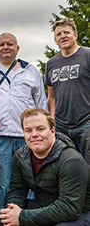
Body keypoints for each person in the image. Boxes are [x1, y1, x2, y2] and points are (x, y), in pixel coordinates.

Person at [0, 32, 48, 213]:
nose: (5, 47)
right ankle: (2, 217)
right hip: (0, 137)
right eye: (1, 44)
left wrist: (42, 129)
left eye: (10, 44)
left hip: (28, 137)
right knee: (2, 181)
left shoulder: (30, 71)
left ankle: (28, 218)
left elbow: (41, 102)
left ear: (17, 48)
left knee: (32, 180)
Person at [1, 108, 90, 225]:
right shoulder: (20, 156)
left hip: (79, 213)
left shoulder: (71, 160)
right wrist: (12, 213)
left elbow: (69, 208)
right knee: (7, 217)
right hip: (45, 206)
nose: (34, 135)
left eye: (40, 129)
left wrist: (22, 217)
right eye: (28, 130)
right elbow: (17, 190)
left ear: (52, 131)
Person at [45, 18, 90, 164]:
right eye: (58, 34)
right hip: (61, 126)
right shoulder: (51, 64)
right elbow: (51, 97)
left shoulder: (87, 55)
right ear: (55, 39)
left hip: (85, 122)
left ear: (75, 35)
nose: (63, 36)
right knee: (68, 166)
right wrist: (53, 121)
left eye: (66, 32)